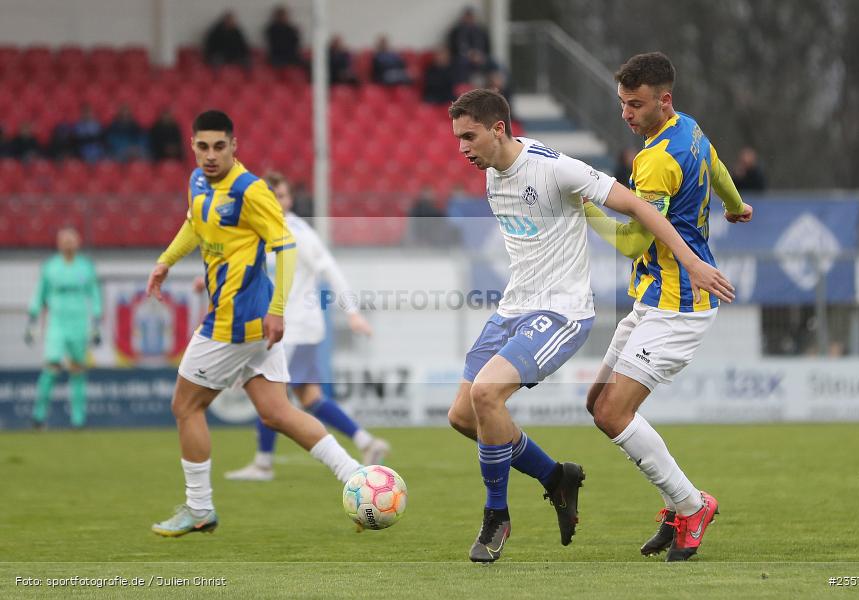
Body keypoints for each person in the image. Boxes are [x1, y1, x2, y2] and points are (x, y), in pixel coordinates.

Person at [447, 89, 734, 563]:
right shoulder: (494, 176)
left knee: (487, 396)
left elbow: (640, 211)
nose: (462, 148)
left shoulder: (558, 167)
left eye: (469, 136)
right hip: (513, 308)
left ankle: (496, 516)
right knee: (464, 416)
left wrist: (693, 262)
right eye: (457, 139)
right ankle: (555, 477)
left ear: (499, 128)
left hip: (561, 311)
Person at [145, 111, 361, 537]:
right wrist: (166, 261)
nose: (210, 155)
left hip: (235, 320)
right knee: (277, 412)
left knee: (185, 406)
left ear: (234, 145)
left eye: (219, 147)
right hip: (248, 322)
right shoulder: (198, 182)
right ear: (192, 145)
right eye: (202, 147)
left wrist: (277, 308)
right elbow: (194, 223)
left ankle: (199, 507)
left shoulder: (251, 191)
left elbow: (285, 246)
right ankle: (359, 477)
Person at [582, 52, 753, 562]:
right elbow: (719, 167)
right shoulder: (690, 130)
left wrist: (583, 207)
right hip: (652, 298)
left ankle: (690, 505)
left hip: (678, 306)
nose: (627, 115)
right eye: (622, 104)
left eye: (635, 105)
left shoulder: (654, 161)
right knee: (597, 405)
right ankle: (679, 505)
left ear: (664, 100)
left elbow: (635, 243)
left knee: (613, 412)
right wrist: (735, 204)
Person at [225, 171, 389, 482]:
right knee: (309, 396)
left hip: (294, 327)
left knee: (271, 392)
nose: (280, 201)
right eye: (274, 196)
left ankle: (262, 464)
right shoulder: (261, 231)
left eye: (284, 195)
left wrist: (352, 312)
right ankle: (366, 441)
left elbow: (331, 270)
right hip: (295, 327)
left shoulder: (298, 232)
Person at [25, 227, 102, 429]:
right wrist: (32, 319)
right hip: (56, 321)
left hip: (78, 321)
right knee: (51, 366)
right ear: (58, 243)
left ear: (78, 242)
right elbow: (40, 293)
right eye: (64, 239)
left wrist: (96, 321)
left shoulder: (85, 267)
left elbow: (94, 293)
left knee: (77, 369)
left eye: (71, 239)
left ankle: (78, 420)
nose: (68, 243)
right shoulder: (50, 267)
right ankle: (38, 416)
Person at [265, 5, 306, 71]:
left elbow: (296, 43)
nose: (284, 18)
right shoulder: (272, 29)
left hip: (291, 55)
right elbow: (275, 44)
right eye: (282, 16)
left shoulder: (291, 29)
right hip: (277, 56)